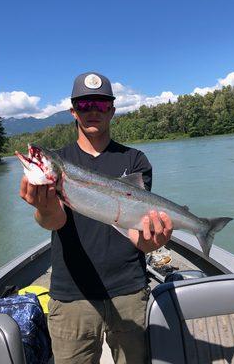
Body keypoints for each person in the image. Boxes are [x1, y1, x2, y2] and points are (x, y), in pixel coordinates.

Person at [19, 72, 173, 364]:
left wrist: (153, 242)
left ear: (112, 111)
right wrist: (46, 207)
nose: (92, 110)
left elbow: (136, 235)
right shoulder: (59, 160)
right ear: (73, 110)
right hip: (71, 293)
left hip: (129, 290)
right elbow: (54, 221)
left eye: (101, 105)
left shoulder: (135, 161)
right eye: (85, 103)